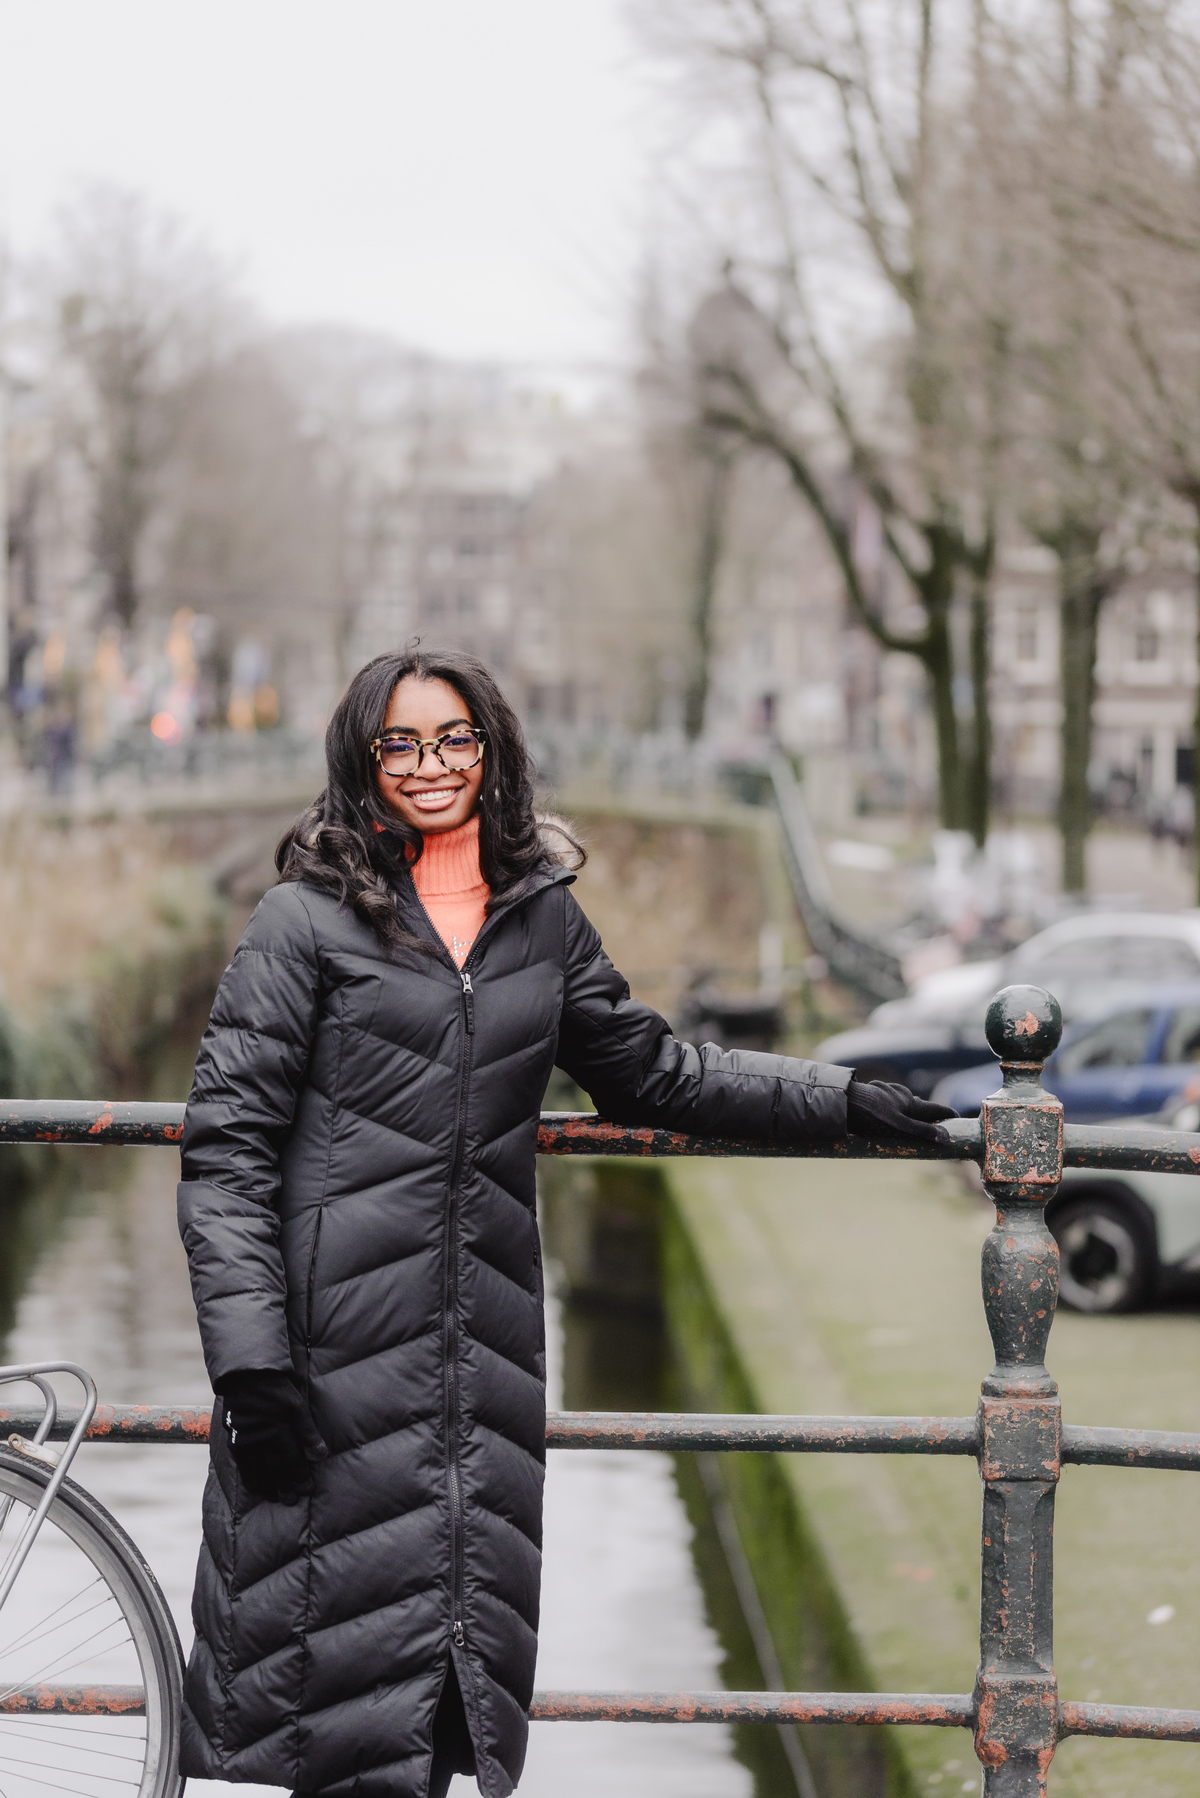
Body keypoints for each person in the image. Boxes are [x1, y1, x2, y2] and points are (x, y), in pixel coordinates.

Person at [176, 646, 954, 1798]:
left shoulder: (539, 921)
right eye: (402, 741)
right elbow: (226, 1151)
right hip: (327, 1376)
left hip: (476, 1377)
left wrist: (845, 1101)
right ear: (362, 757)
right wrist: (252, 1371)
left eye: (455, 739)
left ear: (492, 752)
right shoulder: (301, 923)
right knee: (328, 1718)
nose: (431, 764)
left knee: (440, 1707)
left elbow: (655, 1072)